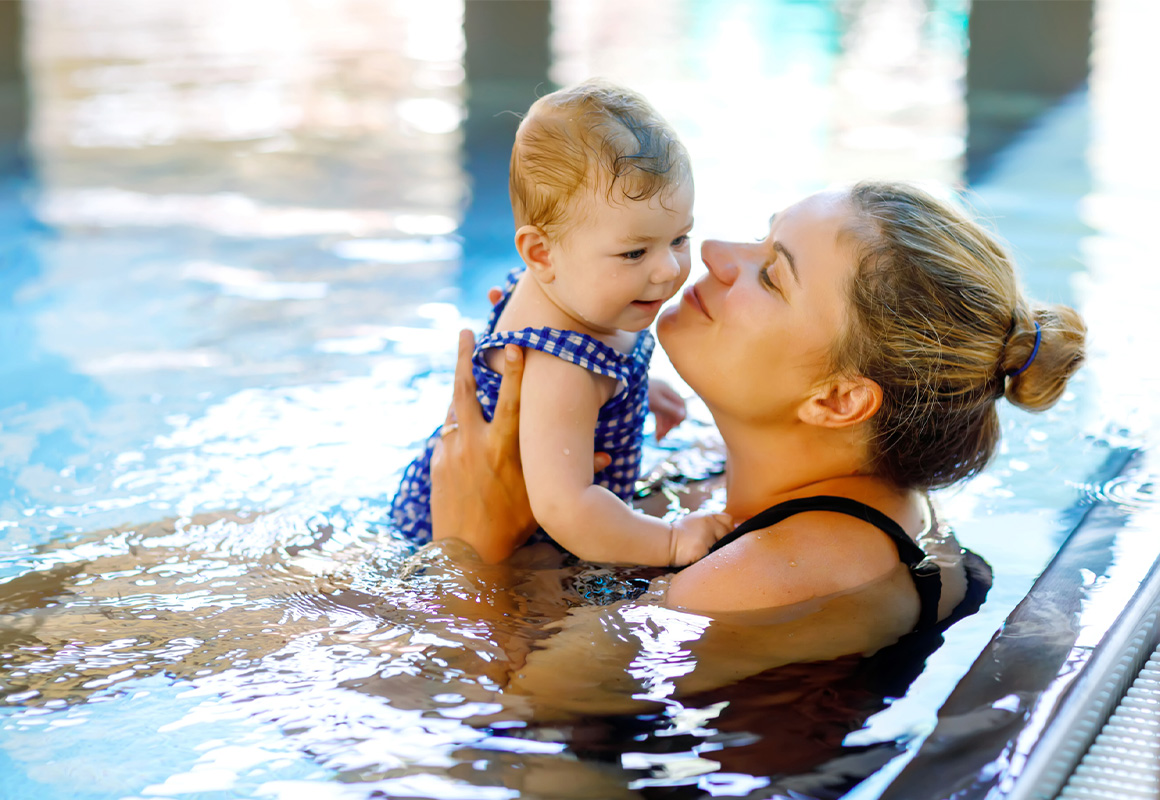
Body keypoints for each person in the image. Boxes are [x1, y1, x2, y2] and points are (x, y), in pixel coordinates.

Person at [428, 181, 1087, 630]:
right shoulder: (796, 496)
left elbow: (519, 736)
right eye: (761, 238)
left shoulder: (767, 577)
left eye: (772, 274)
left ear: (838, 399)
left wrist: (468, 551)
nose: (713, 255)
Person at [392, 79, 731, 567]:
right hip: (491, 547)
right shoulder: (561, 368)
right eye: (635, 252)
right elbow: (565, 508)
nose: (668, 269)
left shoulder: (573, 287)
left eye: (679, 239)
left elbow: (595, 377)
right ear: (541, 252)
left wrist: (634, 387)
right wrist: (672, 542)